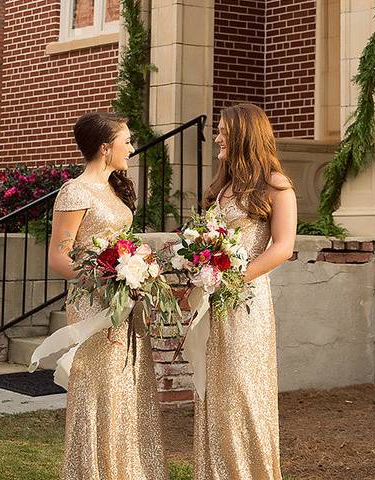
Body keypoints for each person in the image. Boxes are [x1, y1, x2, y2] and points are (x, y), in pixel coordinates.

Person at [47, 112, 168, 480]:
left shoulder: (115, 189)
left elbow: (121, 244)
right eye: (126, 141)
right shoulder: (75, 191)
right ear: (104, 147)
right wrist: (108, 276)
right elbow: (59, 257)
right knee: (99, 390)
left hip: (125, 303)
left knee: (127, 387)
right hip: (93, 305)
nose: (132, 148)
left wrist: (137, 268)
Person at [190, 103, 297, 479]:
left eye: (222, 130)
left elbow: (282, 247)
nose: (217, 136)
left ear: (243, 135)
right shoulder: (222, 186)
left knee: (241, 391)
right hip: (214, 301)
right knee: (214, 391)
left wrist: (233, 279)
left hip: (246, 302)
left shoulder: (275, 184)